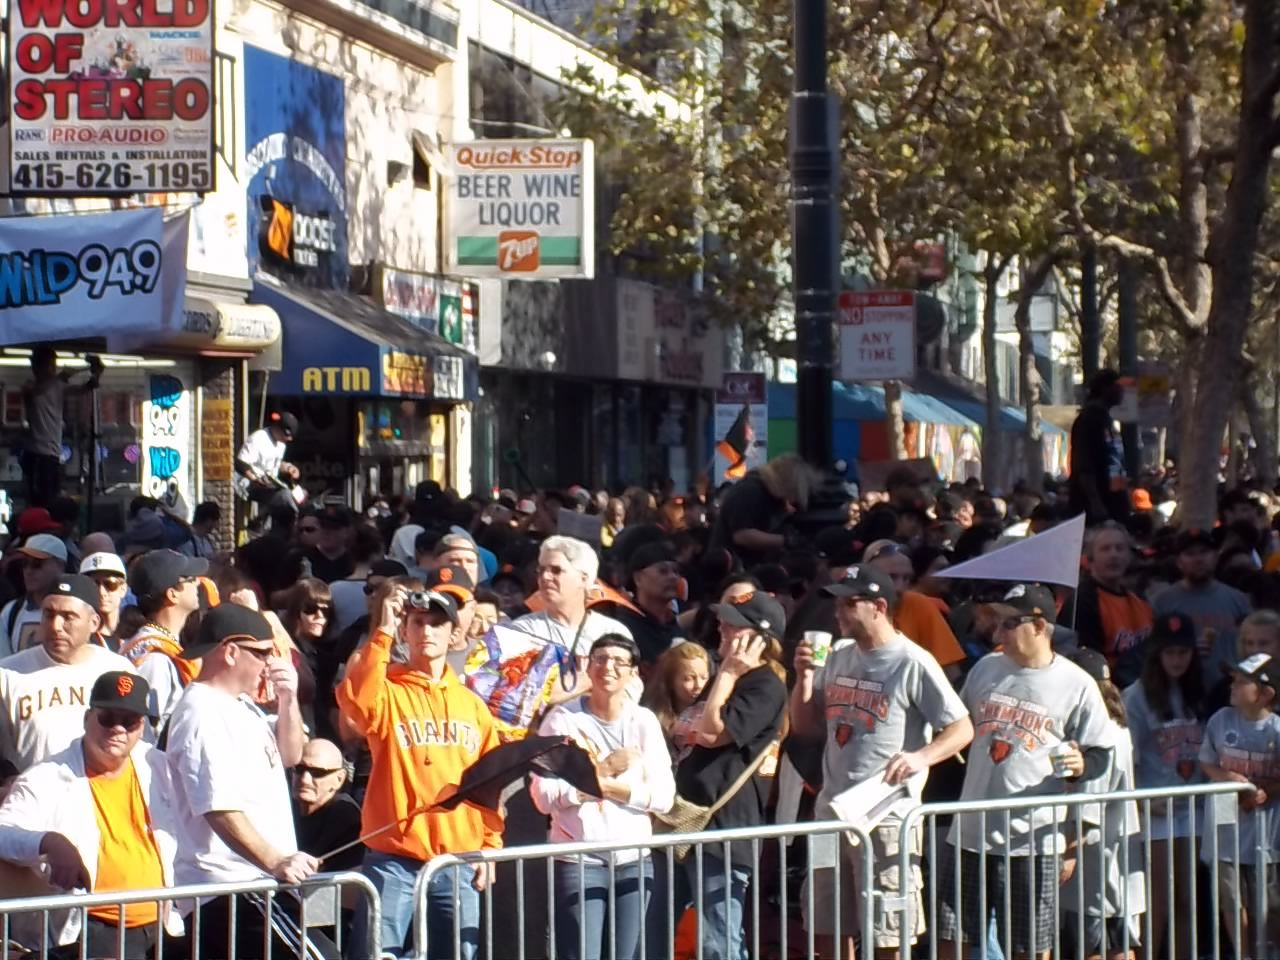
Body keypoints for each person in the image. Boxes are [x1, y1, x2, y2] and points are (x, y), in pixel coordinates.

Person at [791, 564, 973, 960]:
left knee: (889, 928)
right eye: (836, 602)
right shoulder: (838, 654)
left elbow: (961, 728)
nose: (837, 611)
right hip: (832, 809)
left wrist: (920, 757)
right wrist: (804, 678)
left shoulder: (912, 661)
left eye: (847, 603)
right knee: (827, 923)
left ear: (877, 606)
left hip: (887, 814)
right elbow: (805, 728)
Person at [937, 583, 1114, 960]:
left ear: (1038, 625)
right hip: (971, 830)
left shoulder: (1077, 683)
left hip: (1034, 838)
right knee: (950, 935)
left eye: (1008, 624)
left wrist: (1082, 767)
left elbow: (1101, 752)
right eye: (997, 623)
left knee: (1031, 946)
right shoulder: (986, 668)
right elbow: (956, 725)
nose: (997, 633)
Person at [336, 583, 502, 960]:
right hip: (394, 858)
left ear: (453, 633)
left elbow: (489, 782)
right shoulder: (388, 688)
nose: (427, 631)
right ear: (406, 630)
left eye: (436, 624)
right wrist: (383, 629)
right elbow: (357, 701)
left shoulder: (472, 706)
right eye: (418, 622)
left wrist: (490, 847)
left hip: (458, 859)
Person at [165, 603, 331, 960]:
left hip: (252, 886)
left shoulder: (241, 706)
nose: (271, 663)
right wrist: (275, 861)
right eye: (262, 653)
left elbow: (290, 755)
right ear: (230, 651)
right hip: (232, 888)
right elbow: (218, 807)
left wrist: (288, 700)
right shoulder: (201, 712)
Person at [0, 671, 184, 958]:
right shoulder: (47, 776)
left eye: (130, 721)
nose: (118, 729)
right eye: (108, 718)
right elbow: (3, 832)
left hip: (165, 929)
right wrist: (50, 842)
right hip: (95, 931)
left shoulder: (158, 766)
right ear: (88, 718)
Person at [530, 634, 676, 960]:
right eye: (600, 659)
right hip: (579, 859)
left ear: (632, 673)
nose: (608, 667)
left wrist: (609, 789)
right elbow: (543, 795)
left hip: (634, 859)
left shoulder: (643, 721)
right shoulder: (562, 720)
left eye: (618, 662)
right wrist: (603, 773)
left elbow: (664, 798)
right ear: (588, 666)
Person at [672, 591, 788, 960]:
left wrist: (727, 674)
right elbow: (682, 725)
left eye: (733, 624)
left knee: (717, 940)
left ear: (758, 638)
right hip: (690, 820)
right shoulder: (727, 677)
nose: (721, 626)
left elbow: (707, 732)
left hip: (724, 828)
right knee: (668, 926)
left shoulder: (764, 684)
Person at [1121, 613, 1205, 960]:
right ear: (1156, 653)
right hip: (1156, 807)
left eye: (1183, 652)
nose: (1176, 660)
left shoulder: (1196, 691)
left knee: (1188, 898)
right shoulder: (1136, 696)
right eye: (1169, 652)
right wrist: (1140, 801)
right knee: (1157, 898)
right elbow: (1129, 757)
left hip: (1193, 807)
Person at [0, 575, 135, 773]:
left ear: (94, 623)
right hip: (35, 798)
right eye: (49, 614)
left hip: (101, 797)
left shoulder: (117, 671)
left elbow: (139, 742)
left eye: (68, 617)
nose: (56, 626)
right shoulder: (8, 674)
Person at [1199, 652, 1280, 960]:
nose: (1232, 685)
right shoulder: (1220, 719)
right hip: (1225, 822)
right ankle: (1242, 953)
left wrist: (1267, 791)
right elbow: (1207, 762)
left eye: (1242, 681)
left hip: (1266, 830)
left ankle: (1266, 951)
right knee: (1230, 897)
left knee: (1266, 900)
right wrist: (1226, 776)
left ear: (1265, 694)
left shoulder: (1276, 729)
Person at [1064, 649, 1144, 960]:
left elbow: (1089, 805)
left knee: (1099, 943)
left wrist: (1068, 853)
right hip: (1113, 856)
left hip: (1097, 859)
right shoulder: (1118, 727)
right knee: (1117, 939)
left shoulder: (1101, 735)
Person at [118, 549, 207, 740]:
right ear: (172, 594)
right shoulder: (154, 659)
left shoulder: (158, 645)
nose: (198, 582)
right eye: (190, 578)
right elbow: (145, 733)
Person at [1153, 527, 1252, 685]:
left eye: (1204, 551)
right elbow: (1152, 653)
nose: (1198, 559)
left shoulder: (1238, 600)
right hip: (1182, 692)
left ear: (1215, 557)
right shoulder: (1163, 602)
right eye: (1190, 553)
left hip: (1230, 692)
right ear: (1179, 562)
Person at [861, 540, 967, 680]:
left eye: (907, 578)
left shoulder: (919, 604)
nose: (900, 587)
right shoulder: (846, 605)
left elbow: (952, 674)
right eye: (891, 577)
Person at [1076, 523, 1153, 687]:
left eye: (1120, 548)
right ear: (1090, 559)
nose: (1114, 555)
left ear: (1129, 556)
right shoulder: (1083, 600)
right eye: (1105, 549)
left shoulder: (1141, 601)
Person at [22, 348, 101, 508]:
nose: (52, 369)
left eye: (54, 365)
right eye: (49, 366)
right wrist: (60, 377)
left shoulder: (58, 385)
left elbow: (87, 387)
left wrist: (97, 372)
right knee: (38, 501)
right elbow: (37, 392)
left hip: (53, 454)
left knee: (52, 500)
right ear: (36, 367)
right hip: (37, 454)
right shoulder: (30, 386)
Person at [707, 454, 816, 567]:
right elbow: (743, 535)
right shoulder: (750, 491)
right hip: (731, 565)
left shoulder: (769, 494)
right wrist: (785, 540)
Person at [293, 737, 363, 873]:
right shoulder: (282, 808)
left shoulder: (346, 819)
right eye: (300, 769)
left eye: (317, 773)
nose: (305, 779)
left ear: (339, 779)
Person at [1069, 369, 1129, 524]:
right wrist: (1096, 503)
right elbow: (1083, 465)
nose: (1122, 391)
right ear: (1104, 388)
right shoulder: (1089, 419)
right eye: (1118, 386)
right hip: (1098, 507)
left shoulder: (1107, 420)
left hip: (1114, 503)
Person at [614, 542, 686, 668]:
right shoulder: (622, 627)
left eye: (675, 571)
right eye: (663, 571)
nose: (673, 577)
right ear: (638, 579)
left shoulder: (674, 627)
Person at [0, 534, 71, 657]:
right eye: (25, 564)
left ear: (60, 566)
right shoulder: (11, 611)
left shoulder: (77, 611)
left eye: (37, 564)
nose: (28, 571)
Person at [642, 642, 712, 752]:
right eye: (689, 678)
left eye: (704, 677)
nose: (699, 685)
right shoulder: (650, 720)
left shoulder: (711, 714)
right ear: (670, 680)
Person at [234, 410, 300, 508]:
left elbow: (275, 463)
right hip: (249, 484)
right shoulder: (258, 438)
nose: (289, 439)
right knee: (284, 497)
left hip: (269, 484)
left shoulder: (281, 445)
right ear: (278, 429)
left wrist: (288, 468)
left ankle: (263, 520)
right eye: (287, 436)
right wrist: (255, 479)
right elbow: (240, 464)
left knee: (297, 495)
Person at [79, 552, 130, 652]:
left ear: (123, 589)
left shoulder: (136, 632)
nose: (102, 592)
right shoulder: (78, 637)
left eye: (110, 584)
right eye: (94, 584)